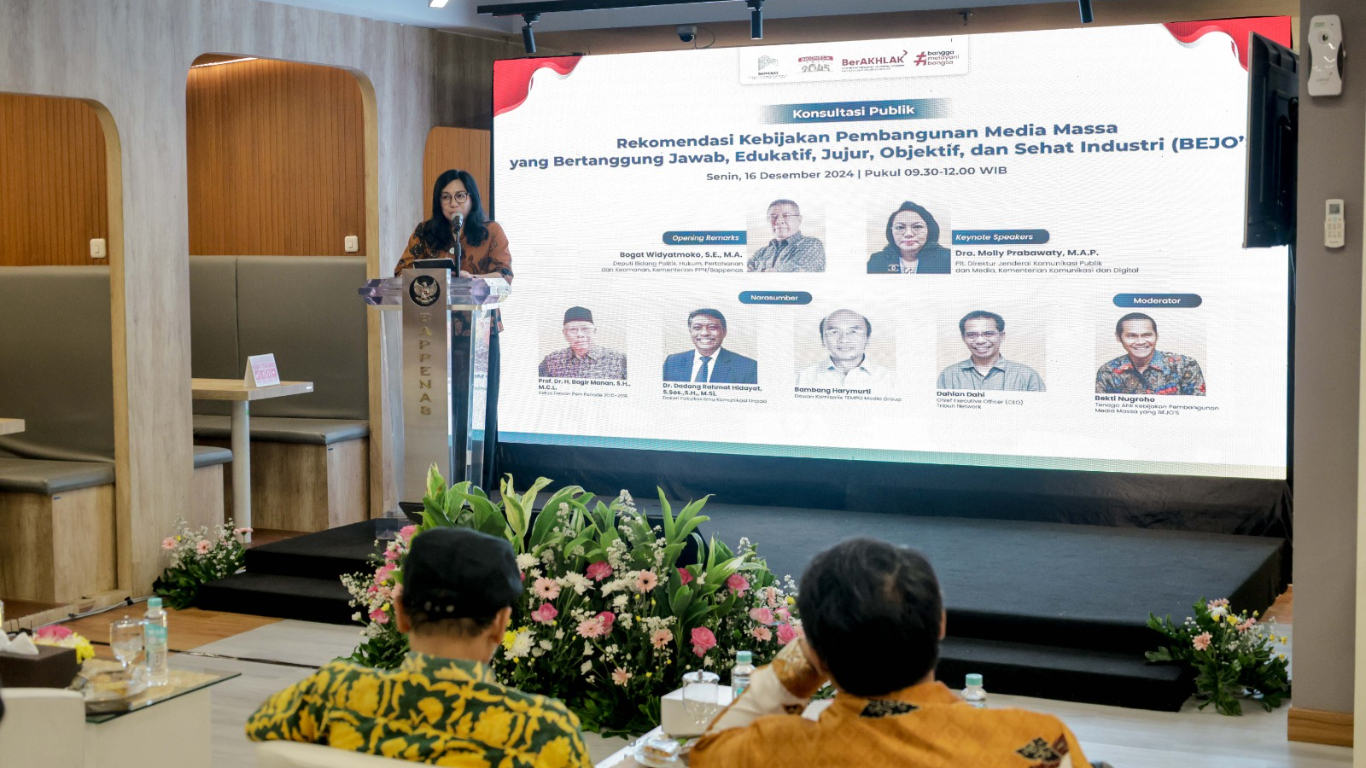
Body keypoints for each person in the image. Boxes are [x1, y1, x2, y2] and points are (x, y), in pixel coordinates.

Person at [691, 538, 1096, 768]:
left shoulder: (779, 753)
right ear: (940, 624)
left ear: (817, 655)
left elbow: (707, 752)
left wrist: (802, 663)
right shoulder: (1039, 742)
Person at [246, 528, 592, 767]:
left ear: (400, 614)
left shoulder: (330, 694)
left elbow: (260, 728)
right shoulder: (542, 732)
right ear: (500, 625)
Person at [395, 170, 510, 490]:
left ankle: (476, 493)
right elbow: (401, 273)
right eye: (445, 197)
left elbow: (505, 276)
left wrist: (475, 280)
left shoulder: (490, 232)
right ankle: (435, 490)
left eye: (460, 196)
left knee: (474, 416)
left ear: (472, 198)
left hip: (479, 337)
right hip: (433, 337)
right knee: (438, 416)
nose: (453, 203)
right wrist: (437, 278)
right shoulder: (425, 233)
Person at [1096, 312, 1206, 396]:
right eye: (1131, 336)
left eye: (1147, 335)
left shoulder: (1185, 365)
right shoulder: (1108, 371)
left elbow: (1196, 409)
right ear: (1118, 337)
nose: (1140, 342)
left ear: (1157, 335)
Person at [937, 311, 1045, 391]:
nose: (980, 341)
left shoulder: (1027, 375)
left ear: (1002, 336)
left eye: (988, 334)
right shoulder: (949, 375)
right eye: (971, 335)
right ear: (963, 338)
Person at [796, 309, 893, 390]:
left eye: (853, 332)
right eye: (834, 332)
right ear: (823, 340)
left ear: (867, 339)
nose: (844, 340)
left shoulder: (890, 379)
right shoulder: (801, 379)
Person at [663, 309, 758, 384]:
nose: (704, 333)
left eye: (712, 327)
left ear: (724, 332)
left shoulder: (748, 367)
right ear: (690, 331)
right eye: (697, 328)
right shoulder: (672, 362)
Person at [538, 306, 627, 380]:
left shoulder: (619, 360)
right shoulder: (551, 361)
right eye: (573, 329)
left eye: (585, 329)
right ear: (564, 333)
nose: (580, 335)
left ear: (594, 331)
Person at [866, 201, 951, 274]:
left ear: (930, 230)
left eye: (917, 226)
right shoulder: (877, 261)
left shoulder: (948, 259)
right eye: (900, 227)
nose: (908, 234)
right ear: (891, 231)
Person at [746, 199, 826, 272]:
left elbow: (792, 274)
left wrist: (757, 271)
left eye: (786, 216)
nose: (778, 221)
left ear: (799, 220)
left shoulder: (811, 244)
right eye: (773, 217)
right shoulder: (762, 252)